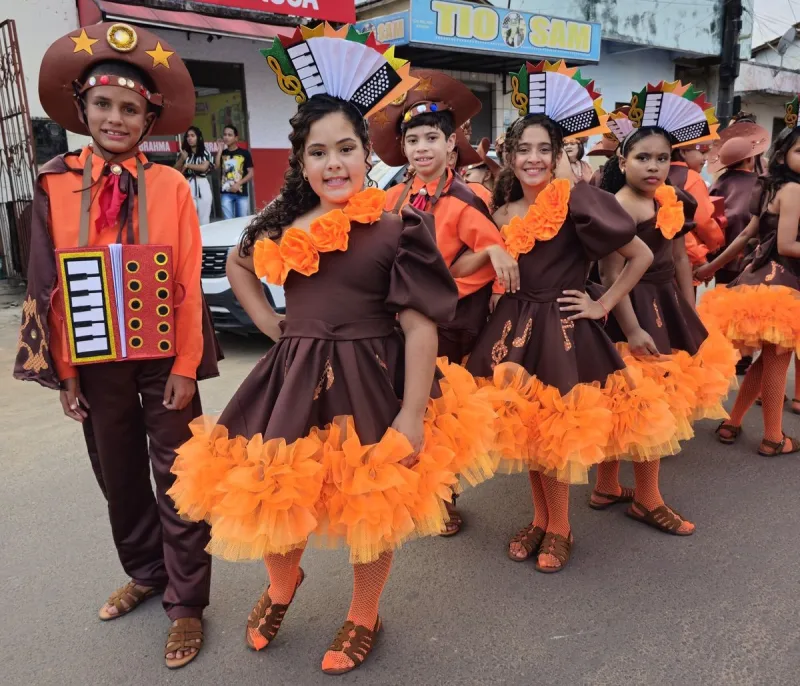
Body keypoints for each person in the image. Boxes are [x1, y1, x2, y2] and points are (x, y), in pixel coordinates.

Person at [168, 25, 495, 674]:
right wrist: (269, 322)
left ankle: (362, 614)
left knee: (369, 507)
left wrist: (409, 415)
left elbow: (420, 325)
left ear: (365, 155)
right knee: (273, 493)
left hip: (373, 380)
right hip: (294, 378)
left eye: (347, 147)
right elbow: (238, 262)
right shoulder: (283, 222)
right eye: (320, 153)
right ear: (302, 162)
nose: (335, 163)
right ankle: (283, 585)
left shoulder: (399, 225)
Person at [13, 22, 221, 669]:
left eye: (131, 108)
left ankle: (187, 603)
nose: (116, 118)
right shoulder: (53, 185)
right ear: (82, 109)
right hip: (96, 360)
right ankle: (146, 572)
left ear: (150, 116)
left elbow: (187, 279)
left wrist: (186, 365)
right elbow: (47, 286)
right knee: (120, 478)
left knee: (181, 478)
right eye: (104, 104)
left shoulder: (170, 186)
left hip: (164, 357)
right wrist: (66, 374)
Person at [455, 60, 666, 573]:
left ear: (558, 154)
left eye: (543, 149)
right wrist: (491, 258)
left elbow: (638, 256)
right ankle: (540, 519)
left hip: (564, 331)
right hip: (510, 329)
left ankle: (561, 527)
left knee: (554, 433)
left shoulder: (576, 201)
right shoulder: (500, 212)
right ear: (506, 155)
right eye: (522, 149)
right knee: (527, 434)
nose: (533, 158)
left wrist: (602, 304)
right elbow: (464, 267)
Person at [369, 68, 519, 536]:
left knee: (445, 412)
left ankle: (446, 493)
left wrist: (464, 278)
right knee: (407, 404)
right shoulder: (390, 199)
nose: (422, 148)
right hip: (402, 324)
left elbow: (495, 256)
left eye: (432, 138)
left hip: (453, 324)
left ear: (452, 145)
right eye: (413, 140)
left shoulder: (467, 197)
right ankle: (422, 487)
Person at [591, 87, 737, 533]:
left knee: (648, 399)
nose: (652, 167)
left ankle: (608, 486)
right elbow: (612, 272)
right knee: (639, 400)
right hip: (630, 310)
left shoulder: (668, 199)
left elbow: (677, 258)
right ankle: (644, 498)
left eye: (660, 158)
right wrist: (633, 329)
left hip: (666, 305)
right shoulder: (617, 207)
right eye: (642, 158)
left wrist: (688, 312)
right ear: (622, 162)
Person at [698, 106, 800, 456]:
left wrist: (711, 267)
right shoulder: (796, 191)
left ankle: (733, 421)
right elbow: (787, 245)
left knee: (763, 361)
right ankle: (773, 437)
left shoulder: (771, 187)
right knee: (776, 362)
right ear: (783, 155)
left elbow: (745, 237)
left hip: (756, 283)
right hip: (784, 288)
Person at [670, 141, 725, 264]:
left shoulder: (662, 173)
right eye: (702, 152)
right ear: (683, 152)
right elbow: (703, 220)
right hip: (689, 254)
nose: (706, 158)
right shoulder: (692, 177)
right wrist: (715, 243)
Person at [176, 125, 214, 225]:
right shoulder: (184, 153)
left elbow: (203, 167)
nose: (190, 138)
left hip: (202, 183)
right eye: (188, 136)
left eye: (192, 136)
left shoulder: (205, 152)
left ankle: (204, 240)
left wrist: (188, 165)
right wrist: (182, 159)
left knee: (204, 218)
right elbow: (175, 171)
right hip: (188, 183)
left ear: (198, 137)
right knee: (190, 216)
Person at [216, 123, 254, 219]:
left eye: (230, 135)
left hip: (241, 193)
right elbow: (216, 166)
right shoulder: (223, 153)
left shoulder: (244, 153)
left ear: (236, 138)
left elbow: (251, 173)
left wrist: (238, 183)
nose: (226, 137)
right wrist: (220, 150)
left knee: (241, 222)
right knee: (227, 222)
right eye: (224, 134)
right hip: (226, 193)